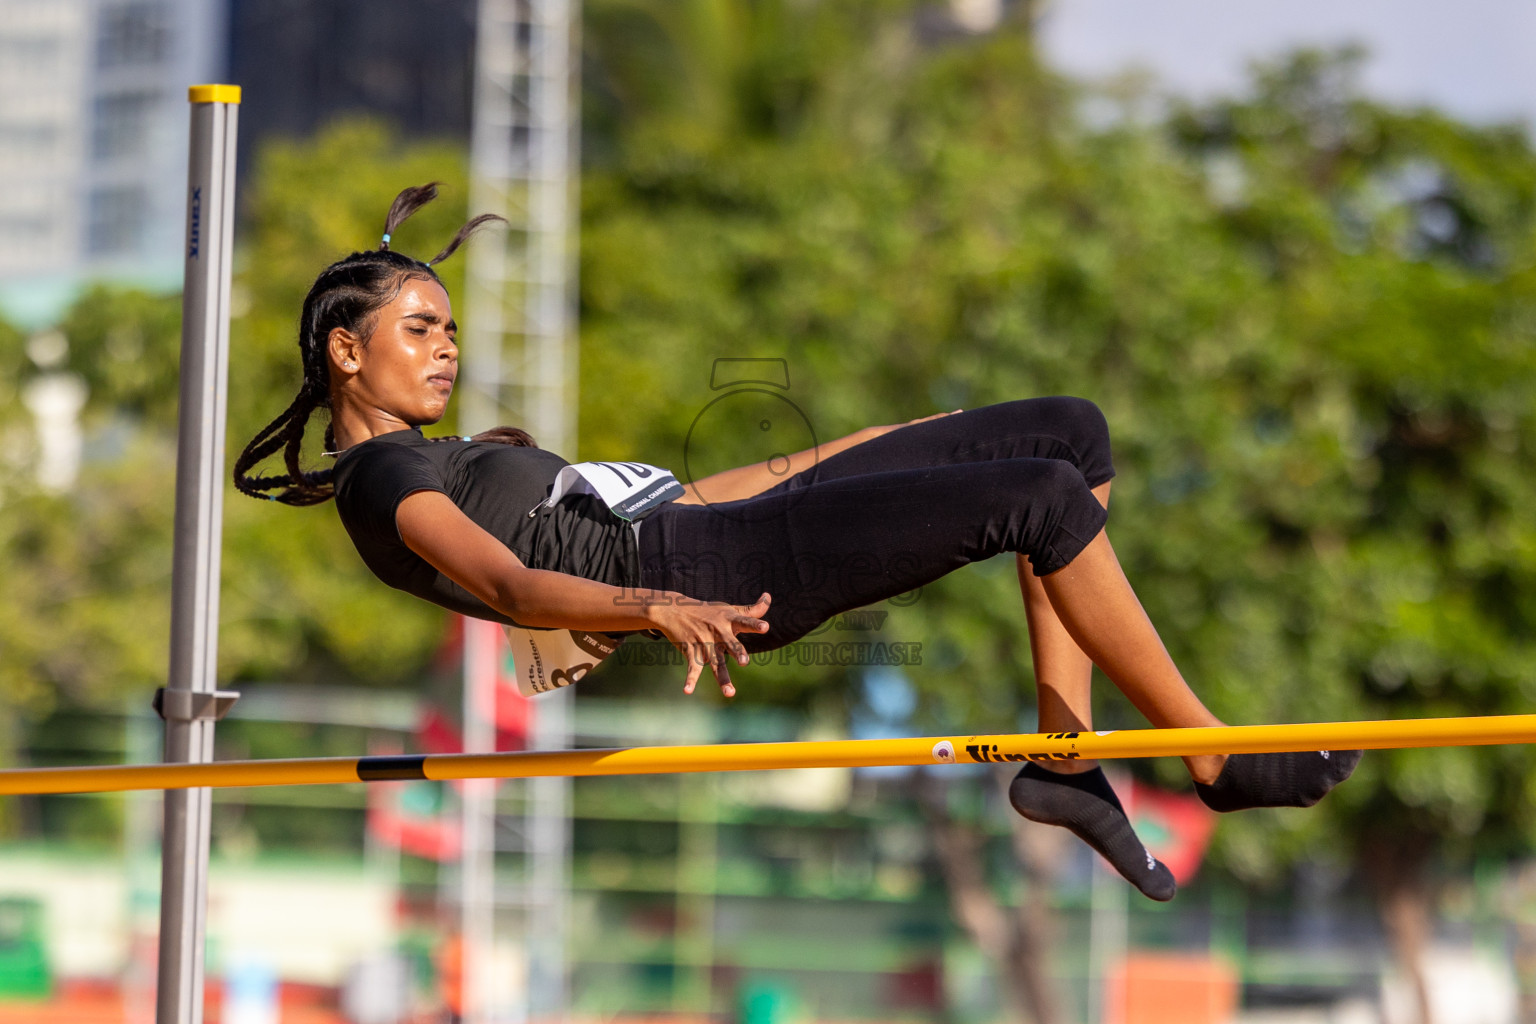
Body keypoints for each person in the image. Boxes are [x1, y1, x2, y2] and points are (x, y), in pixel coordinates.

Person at [235, 184, 1359, 901]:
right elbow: (514, 583)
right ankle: (1213, 752)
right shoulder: (385, 472)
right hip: (716, 576)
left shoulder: (456, 453)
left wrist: (875, 447)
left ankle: (1066, 756)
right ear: (345, 351)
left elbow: (681, 495)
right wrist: (648, 609)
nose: (444, 350)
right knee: (1046, 496)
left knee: (1067, 433)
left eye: (448, 329)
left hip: (716, 527)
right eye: (418, 330)